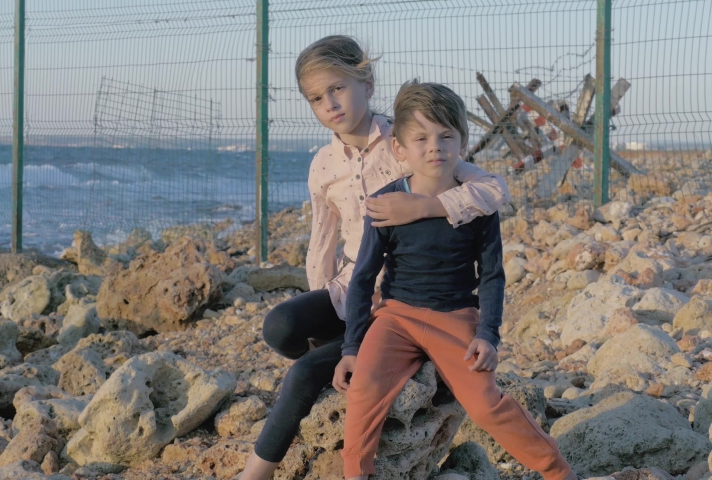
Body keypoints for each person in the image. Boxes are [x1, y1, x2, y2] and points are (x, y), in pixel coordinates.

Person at [239, 36, 511, 479]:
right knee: (281, 326)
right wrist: (330, 312)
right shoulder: (324, 164)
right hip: (352, 290)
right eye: (316, 97)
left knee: (307, 373)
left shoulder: (409, 139)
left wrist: (424, 206)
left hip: (405, 299)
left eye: (338, 88)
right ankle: (346, 349)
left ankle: (258, 470)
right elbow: (321, 242)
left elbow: (494, 190)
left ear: (366, 82)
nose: (330, 103)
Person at [334, 81, 575, 480]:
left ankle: (559, 472)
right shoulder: (386, 203)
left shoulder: (476, 204)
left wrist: (488, 334)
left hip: (456, 317)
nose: (435, 147)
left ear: (462, 142)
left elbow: (493, 275)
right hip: (396, 317)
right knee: (363, 389)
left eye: (447, 136)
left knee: (485, 406)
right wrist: (352, 347)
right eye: (422, 138)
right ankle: (356, 475)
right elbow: (362, 279)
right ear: (400, 148)